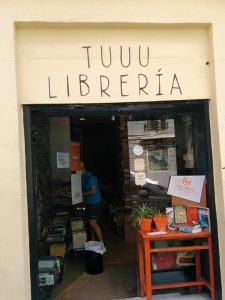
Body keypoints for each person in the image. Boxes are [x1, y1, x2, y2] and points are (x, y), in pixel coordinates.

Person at [81, 162, 104, 242]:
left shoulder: (91, 177)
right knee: (91, 224)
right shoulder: (82, 176)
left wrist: (82, 194)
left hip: (95, 203)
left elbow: (93, 191)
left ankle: (101, 244)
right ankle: (93, 241)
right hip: (89, 203)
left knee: (93, 223)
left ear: (82, 166)